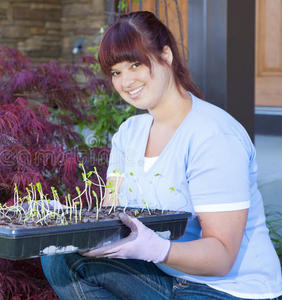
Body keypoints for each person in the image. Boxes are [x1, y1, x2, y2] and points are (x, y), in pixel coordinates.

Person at [41, 11, 282, 300]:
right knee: (61, 259)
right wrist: (67, 223)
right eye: (116, 72)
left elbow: (222, 256)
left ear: (166, 55)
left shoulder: (213, 135)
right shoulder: (129, 134)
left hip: (228, 289)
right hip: (166, 277)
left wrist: (157, 248)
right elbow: (112, 215)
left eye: (135, 64)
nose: (126, 81)